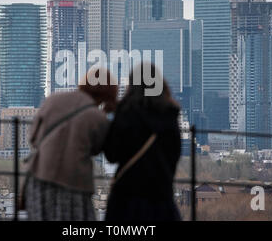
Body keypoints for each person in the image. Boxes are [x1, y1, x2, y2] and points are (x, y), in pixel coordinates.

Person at [21, 67, 118, 221]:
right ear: (108, 94)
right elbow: (108, 153)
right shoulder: (98, 118)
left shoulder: (53, 99)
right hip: (74, 185)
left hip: (39, 179)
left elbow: (33, 137)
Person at [103, 62, 182, 221]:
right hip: (160, 196)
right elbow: (174, 155)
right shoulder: (170, 115)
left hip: (127, 196)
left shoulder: (125, 113)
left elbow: (111, 154)